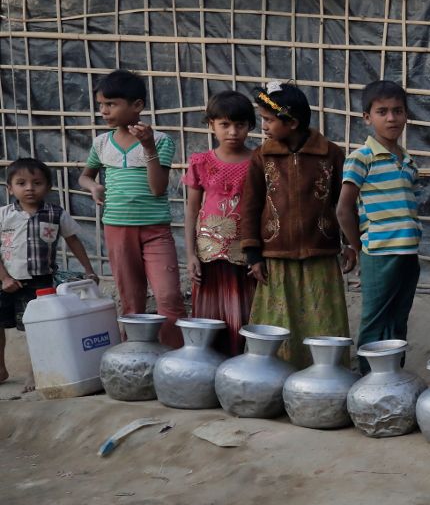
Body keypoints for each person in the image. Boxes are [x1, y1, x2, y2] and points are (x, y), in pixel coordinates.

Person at [242, 81, 352, 370]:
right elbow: (251, 206)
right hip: (275, 256)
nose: (263, 126)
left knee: (322, 319)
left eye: (268, 120)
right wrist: (253, 253)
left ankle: (326, 376)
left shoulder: (330, 154)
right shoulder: (261, 157)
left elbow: (343, 203)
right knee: (279, 321)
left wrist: (350, 243)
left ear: (291, 122)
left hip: (321, 253)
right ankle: (274, 377)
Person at [79, 69, 185, 348]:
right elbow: (85, 175)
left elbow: (158, 188)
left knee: (168, 297)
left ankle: (174, 359)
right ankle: (135, 357)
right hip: (117, 228)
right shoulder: (101, 143)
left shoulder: (161, 140)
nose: (103, 111)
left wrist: (147, 146)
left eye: (111, 104)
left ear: (137, 106)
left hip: (155, 230)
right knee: (131, 299)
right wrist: (94, 187)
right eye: (101, 104)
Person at [339, 81, 422, 371]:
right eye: (382, 111)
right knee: (375, 320)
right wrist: (358, 247)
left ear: (406, 115)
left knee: (399, 320)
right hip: (379, 253)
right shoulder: (361, 158)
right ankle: (367, 382)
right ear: (367, 117)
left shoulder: (408, 161)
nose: (391, 118)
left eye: (397, 111)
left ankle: (393, 378)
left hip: (408, 254)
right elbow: (343, 209)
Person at [0, 158, 97, 387]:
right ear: (10, 188)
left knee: (35, 328)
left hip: (39, 281)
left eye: (37, 183)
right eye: (21, 183)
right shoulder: (3, 215)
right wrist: (4, 277)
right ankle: (1, 369)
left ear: (48, 187)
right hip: (5, 279)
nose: (29, 188)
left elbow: (73, 240)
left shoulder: (56, 214)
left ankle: (35, 371)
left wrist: (89, 269)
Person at [184, 90, 257, 357]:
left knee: (243, 315)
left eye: (240, 124)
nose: (233, 132)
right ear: (211, 125)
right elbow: (192, 211)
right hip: (208, 254)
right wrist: (190, 254)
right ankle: (206, 371)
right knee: (209, 318)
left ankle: (237, 373)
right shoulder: (201, 162)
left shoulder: (258, 162)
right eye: (224, 124)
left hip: (245, 253)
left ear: (250, 125)